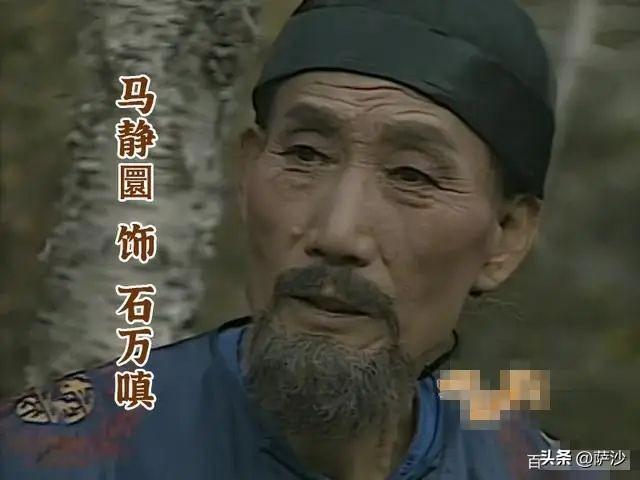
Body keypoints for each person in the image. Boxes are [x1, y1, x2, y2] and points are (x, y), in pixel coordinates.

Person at [0, 1, 608, 479]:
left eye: (412, 175)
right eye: (306, 155)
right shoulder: (54, 458)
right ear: (247, 174)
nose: (338, 233)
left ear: (505, 238)